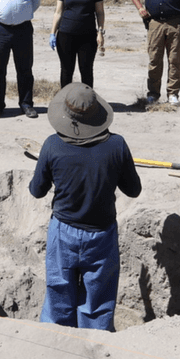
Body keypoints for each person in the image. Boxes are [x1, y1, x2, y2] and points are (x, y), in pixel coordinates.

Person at [29, 83, 141, 331]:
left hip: (63, 232)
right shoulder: (117, 145)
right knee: (98, 300)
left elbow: (36, 191)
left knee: (59, 294)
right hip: (101, 234)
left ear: (66, 117)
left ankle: (55, 344)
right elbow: (133, 190)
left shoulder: (52, 145)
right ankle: (94, 348)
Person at [49, 0, 106, 88]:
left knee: (86, 71)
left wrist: (100, 32)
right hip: (65, 36)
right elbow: (58, 12)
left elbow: (100, 12)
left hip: (88, 37)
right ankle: (65, 102)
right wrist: (52, 33)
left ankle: (88, 103)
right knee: (66, 71)